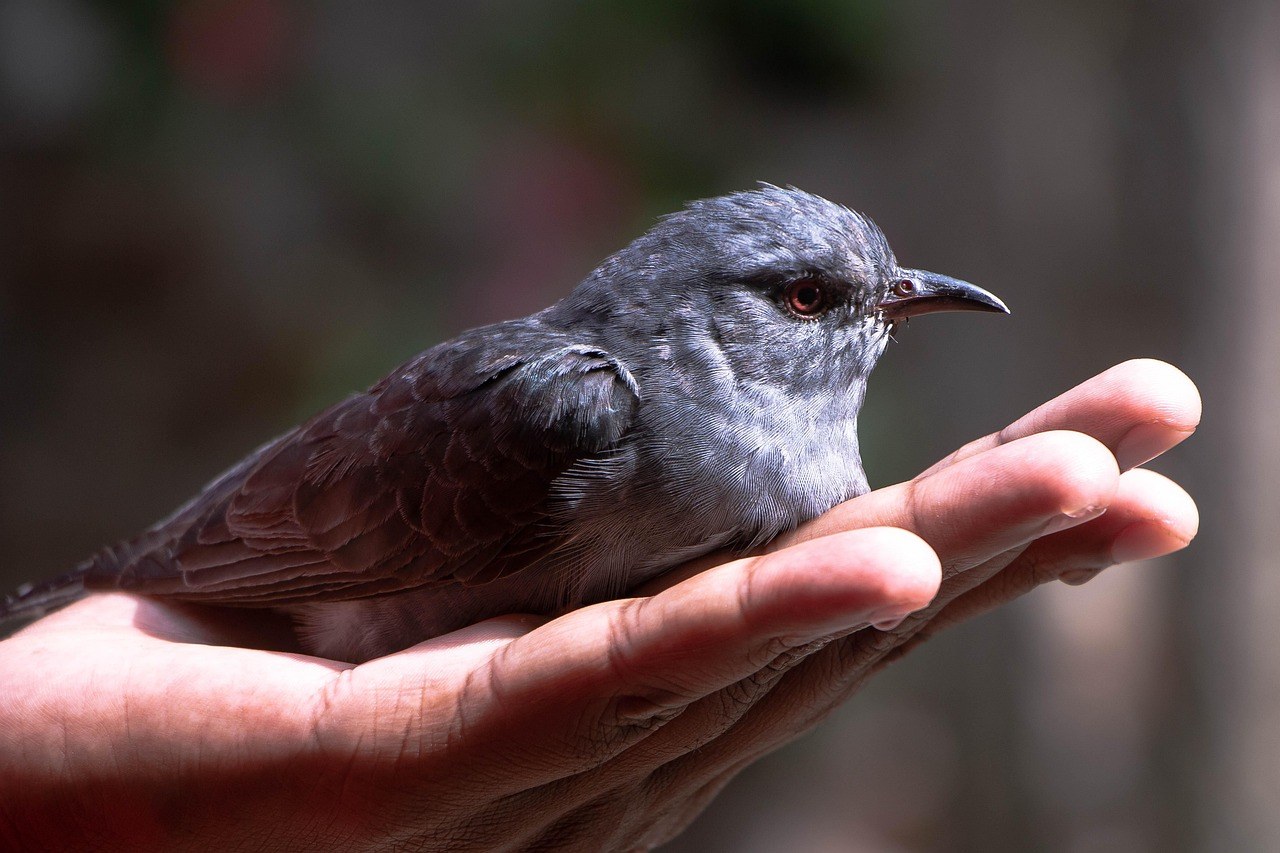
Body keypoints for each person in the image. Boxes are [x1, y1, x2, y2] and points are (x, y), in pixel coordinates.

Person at [0, 359, 1199, 850]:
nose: (859, 321)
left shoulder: (800, 460)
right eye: (806, 299)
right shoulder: (582, 412)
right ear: (706, 322)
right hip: (329, 587)